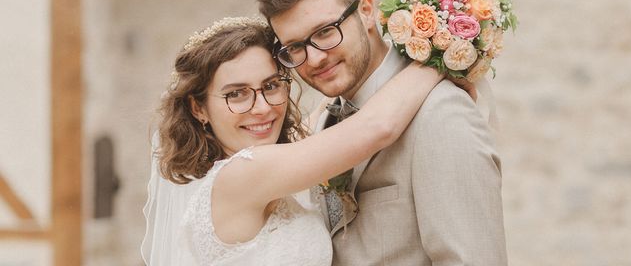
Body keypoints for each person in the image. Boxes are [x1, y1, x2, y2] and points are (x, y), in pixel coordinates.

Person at [257, 0, 508, 266]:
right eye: (295, 47)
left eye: (324, 32)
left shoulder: (441, 114)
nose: (315, 58)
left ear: (365, 11)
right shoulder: (323, 118)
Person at [141, 16, 443, 265]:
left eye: (271, 85)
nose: (262, 108)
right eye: (236, 93)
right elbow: (376, 126)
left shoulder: (275, 161)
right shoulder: (242, 175)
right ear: (199, 108)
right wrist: (448, 54)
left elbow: (334, 108)